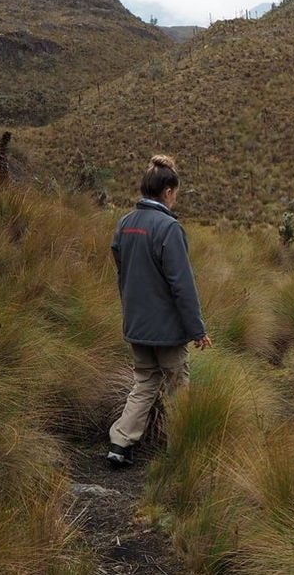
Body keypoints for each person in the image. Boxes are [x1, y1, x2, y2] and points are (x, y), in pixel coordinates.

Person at [106, 154, 213, 469]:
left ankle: (120, 442)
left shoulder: (125, 224)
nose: (175, 198)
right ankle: (183, 448)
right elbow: (183, 286)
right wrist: (197, 330)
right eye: (176, 192)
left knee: (145, 382)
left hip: (136, 324)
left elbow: (122, 270)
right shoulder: (169, 228)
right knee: (178, 388)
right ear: (168, 191)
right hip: (166, 330)